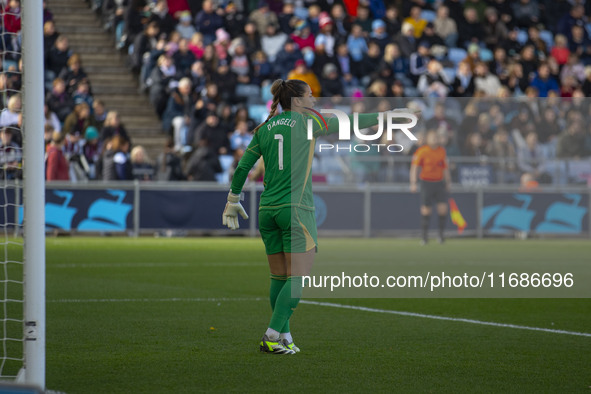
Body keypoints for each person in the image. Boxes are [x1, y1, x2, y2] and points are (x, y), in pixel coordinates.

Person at [221, 78, 408, 354]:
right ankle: (272, 335)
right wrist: (387, 116)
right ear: (297, 101)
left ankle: (283, 336)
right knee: (298, 277)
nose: (314, 100)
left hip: (267, 211)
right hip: (296, 210)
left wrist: (233, 199)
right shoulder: (310, 123)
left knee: (279, 277)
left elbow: (242, 168)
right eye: (310, 95)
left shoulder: (264, 128)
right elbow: (352, 122)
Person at [410, 129, 451, 245]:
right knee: (426, 210)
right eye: (432, 137)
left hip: (439, 182)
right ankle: (424, 237)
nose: (435, 139)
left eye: (436, 137)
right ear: (427, 139)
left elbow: (445, 168)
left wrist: (448, 182)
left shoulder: (441, 151)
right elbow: (415, 167)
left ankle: (441, 236)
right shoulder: (422, 151)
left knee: (443, 209)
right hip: (426, 182)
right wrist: (413, 182)